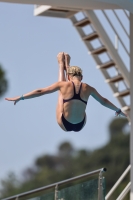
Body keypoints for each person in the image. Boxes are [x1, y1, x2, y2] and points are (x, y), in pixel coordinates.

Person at [5, 52, 127, 132]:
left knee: (61, 93)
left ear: (69, 76)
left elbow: (41, 91)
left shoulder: (64, 85)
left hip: (65, 123)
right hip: (81, 124)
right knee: (68, 95)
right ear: (82, 77)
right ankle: (66, 64)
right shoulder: (89, 88)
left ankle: (61, 65)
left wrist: (20, 97)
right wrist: (118, 110)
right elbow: (103, 101)